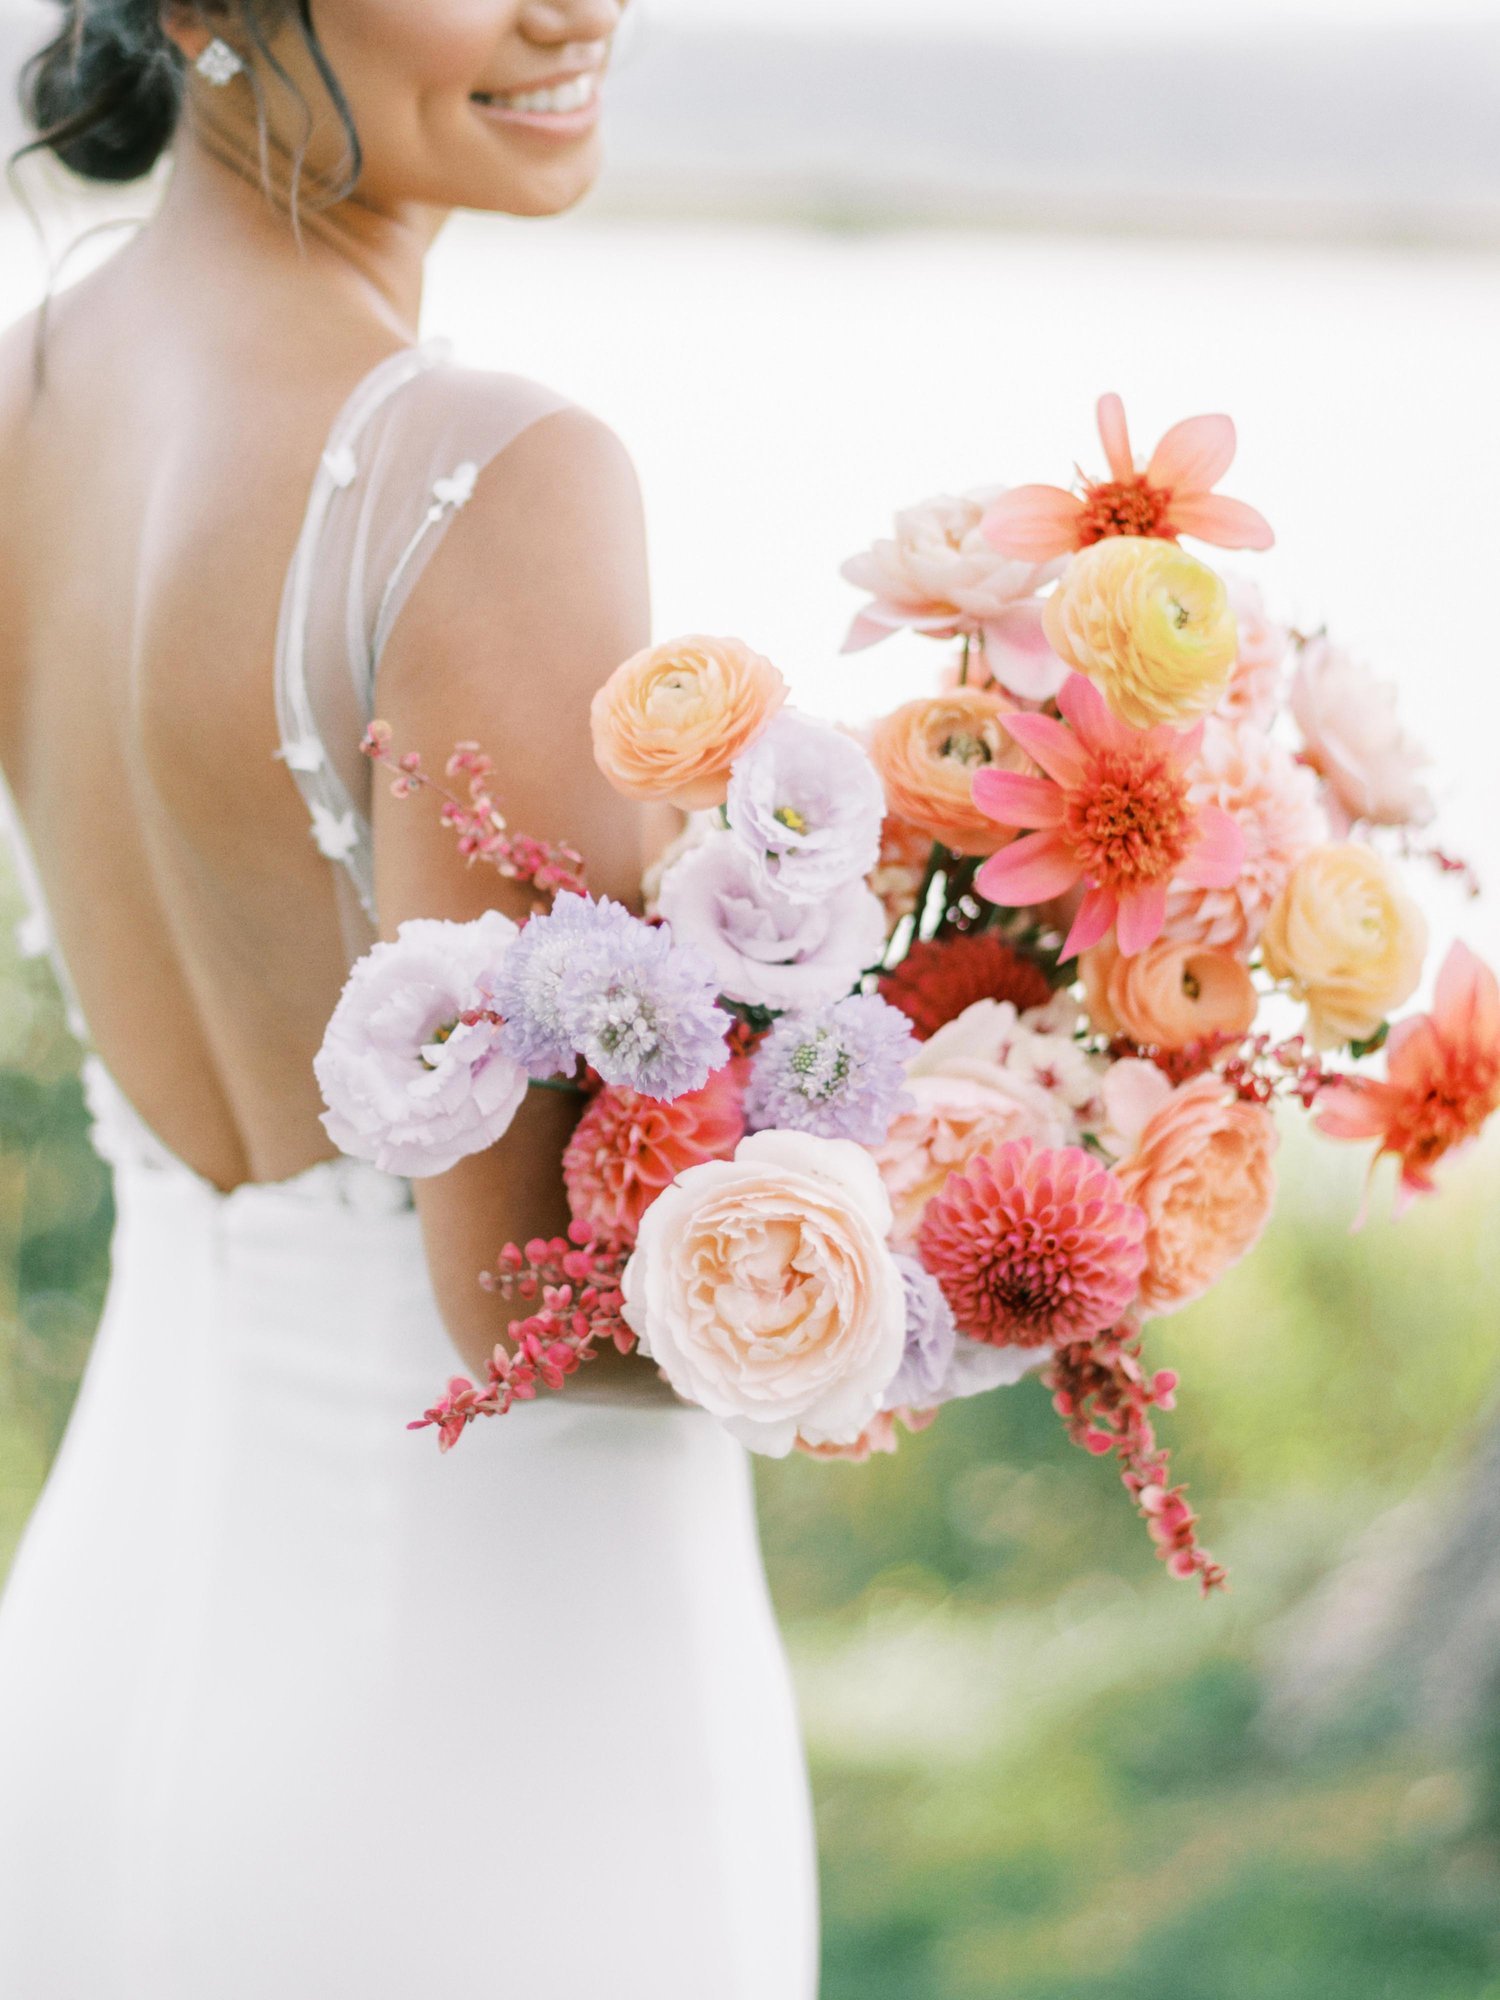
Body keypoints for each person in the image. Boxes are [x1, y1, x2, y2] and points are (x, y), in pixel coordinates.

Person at [0, 5, 818, 1994]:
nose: (575, 10)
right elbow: (538, 1302)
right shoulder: (489, 477)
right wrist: (1030, 1165)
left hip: (97, 1683)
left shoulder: (36, 388)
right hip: (502, 1764)